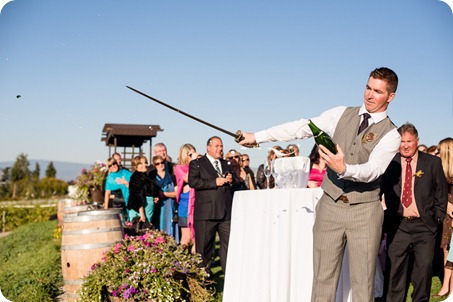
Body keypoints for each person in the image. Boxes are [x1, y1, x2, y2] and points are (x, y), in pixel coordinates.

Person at [239, 67, 401, 301]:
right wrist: (257, 137)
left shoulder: (392, 134)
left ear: (390, 97)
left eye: (377, 91)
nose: (369, 95)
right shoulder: (340, 113)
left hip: (365, 211)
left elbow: (373, 170)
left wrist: (343, 169)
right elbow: (301, 127)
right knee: (322, 278)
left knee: (363, 282)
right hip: (330, 206)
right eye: (367, 87)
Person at [381, 123, 448, 302]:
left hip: (424, 226)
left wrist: (437, 217)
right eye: (402, 141)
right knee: (395, 270)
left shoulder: (432, 162)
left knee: (423, 271)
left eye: (409, 141)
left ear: (417, 141)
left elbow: (441, 193)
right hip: (398, 225)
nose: (405, 145)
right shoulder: (390, 163)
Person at [188, 136, 240, 274]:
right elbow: (193, 182)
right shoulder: (197, 163)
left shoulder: (226, 164)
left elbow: (236, 182)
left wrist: (231, 180)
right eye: (217, 146)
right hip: (207, 212)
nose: (220, 149)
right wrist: (214, 182)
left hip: (225, 213)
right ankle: (203, 278)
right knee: (204, 249)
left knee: (228, 246)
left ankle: (229, 275)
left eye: (221, 146)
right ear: (208, 147)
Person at [433, 137, 453, 298]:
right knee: (446, 248)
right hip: (447, 211)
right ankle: (445, 285)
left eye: (440, 150)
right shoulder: (439, 168)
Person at [174, 143, 199, 252]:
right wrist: (194, 162)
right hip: (185, 207)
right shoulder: (179, 168)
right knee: (186, 238)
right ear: (185, 155)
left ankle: (197, 263)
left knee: (198, 238)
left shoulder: (197, 167)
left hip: (197, 206)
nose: (192, 157)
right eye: (190, 155)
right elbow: (189, 179)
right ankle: (180, 262)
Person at [151, 155, 178, 240]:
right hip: (157, 209)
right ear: (154, 165)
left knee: (171, 227)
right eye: (157, 163)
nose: (160, 165)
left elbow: (177, 193)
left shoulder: (172, 177)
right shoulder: (152, 178)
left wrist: (164, 194)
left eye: (162, 162)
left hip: (171, 207)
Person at [127, 155, 159, 223]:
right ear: (135, 166)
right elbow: (137, 196)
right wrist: (142, 214)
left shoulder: (145, 176)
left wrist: (154, 197)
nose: (145, 165)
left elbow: (149, 191)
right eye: (141, 163)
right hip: (141, 211)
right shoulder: (136, 178)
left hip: (147, 210)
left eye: (145, 162)